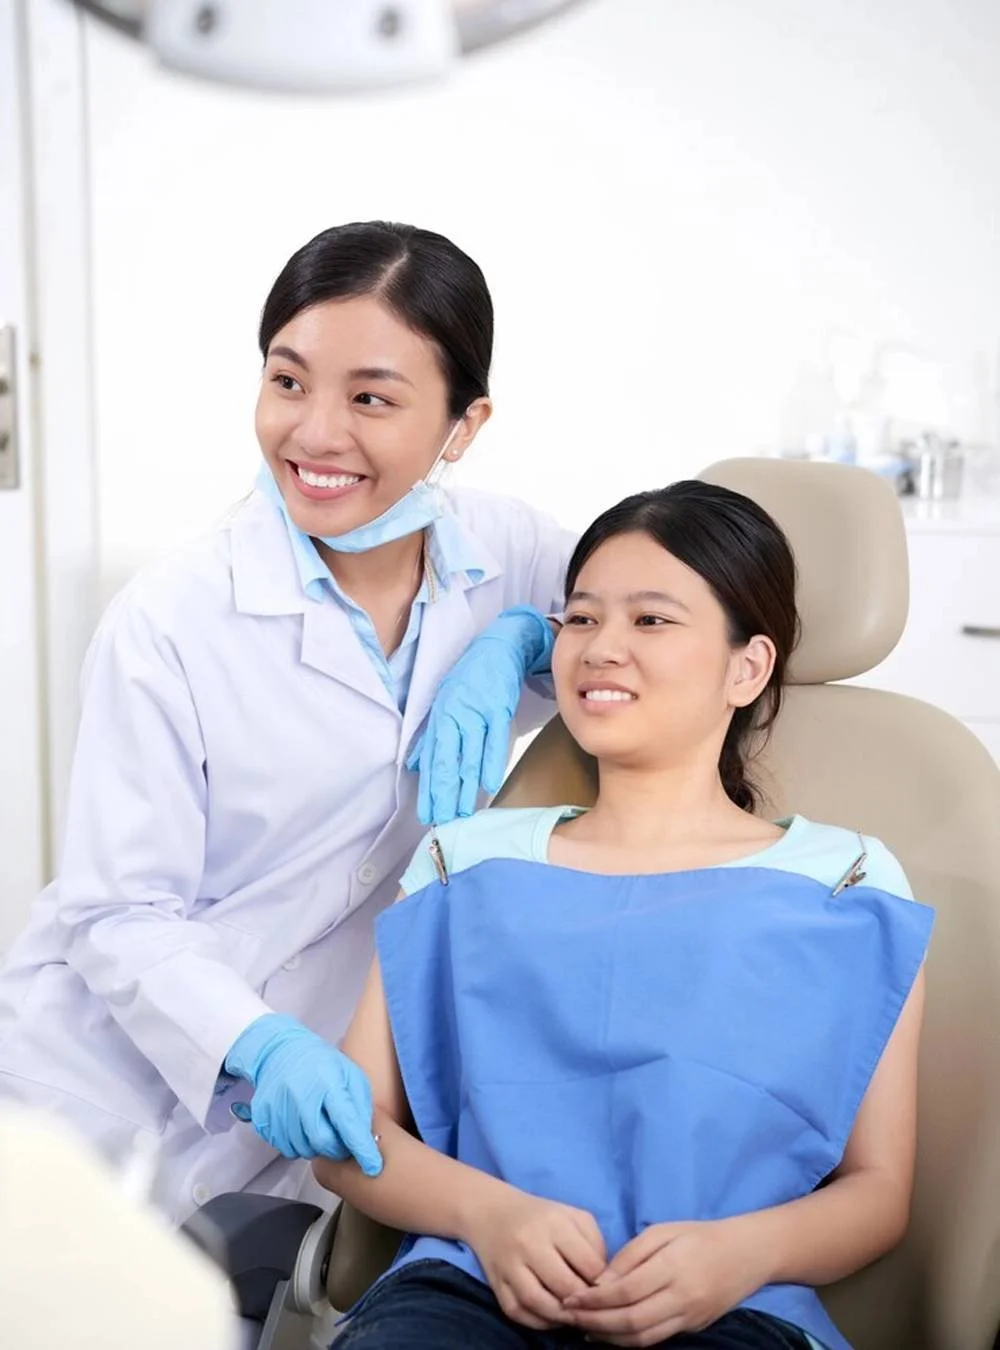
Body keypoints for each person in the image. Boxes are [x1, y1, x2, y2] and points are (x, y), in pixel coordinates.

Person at [0, 221, 576, 1223]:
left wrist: (524, 638)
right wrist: (259, 1043)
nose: (313, 434)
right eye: (288, 381)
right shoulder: (172, 618)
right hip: (95, 1077)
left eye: (371, 399)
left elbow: (688, 594)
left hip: (307, 1116)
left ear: (462, 426)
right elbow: (117, 910)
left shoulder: (508, 549)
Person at [312, 480, 933, 1350]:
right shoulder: (467, 861)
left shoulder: (851, 886)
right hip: (467, 1293)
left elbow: (878, 1192)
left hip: (729, 1309)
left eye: (651, 621)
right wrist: (488, 1215)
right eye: (580, 619)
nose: (602, 647)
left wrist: (738, 1254)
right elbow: (349, 1132)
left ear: (746, 667)